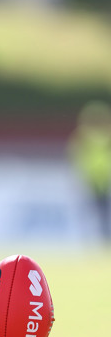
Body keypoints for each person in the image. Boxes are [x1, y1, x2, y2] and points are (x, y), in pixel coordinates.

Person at [68, 101, 111, 241]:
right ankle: (95, 238)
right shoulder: (89, 137)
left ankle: (100, 238)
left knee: (97, 212)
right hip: (93, 179)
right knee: (94, 212)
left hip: (99, 179)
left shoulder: (83, 136)